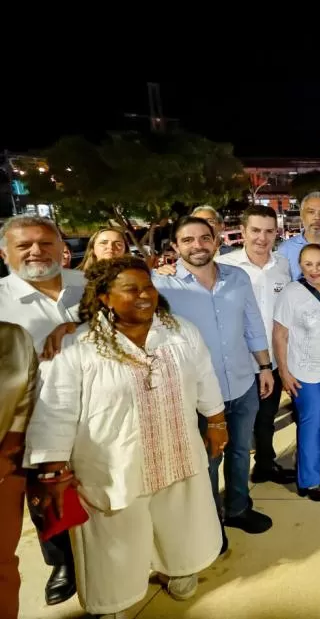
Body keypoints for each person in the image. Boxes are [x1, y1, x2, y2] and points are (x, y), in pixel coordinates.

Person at [24, 257, 227, 617]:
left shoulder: (180, 331)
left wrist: (215, 421)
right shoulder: (78, 346)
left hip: (175, 452)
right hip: (113, 466)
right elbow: (55, 409)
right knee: (114, 541)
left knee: (181, 522)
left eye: (147, 286)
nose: (143, 295)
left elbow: (204, 378)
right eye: (130, 289)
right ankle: (114, 602)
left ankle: (180, 570)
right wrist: (52, 470)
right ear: (104, 297)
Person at [152, 216, 274, 539]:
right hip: (198, 395)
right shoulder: (160, 285)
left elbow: (253, 324)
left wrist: (264, 367)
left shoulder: (237, 278)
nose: (198, 246)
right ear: (175, 246)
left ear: (216, 240)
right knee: (206, 461)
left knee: (238, 452)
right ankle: (209, 526)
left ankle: (238, 508)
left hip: (243, 382)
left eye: (204, 238)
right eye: (188, 240)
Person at [0, 215, 81, 605]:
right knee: (45, 497)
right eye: (24, 245)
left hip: (96, 412)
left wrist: (74, 327)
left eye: (45, 243)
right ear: (5, 253)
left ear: (60, 247)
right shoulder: (1, 301)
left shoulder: (86, 285)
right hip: (31, 419)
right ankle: (62, 562)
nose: (36, 251)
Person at [217, 205, 296, 486]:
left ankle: (265, 465)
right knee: (236, 431)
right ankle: (232, 489)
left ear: (276, 233)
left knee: (265, 420)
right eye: (255, 230)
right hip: (236, 362)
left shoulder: (283, 266)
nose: (262, 238)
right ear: (243, 231)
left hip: (271, 361)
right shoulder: (225, 266)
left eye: (268, 231)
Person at [273, 244, 320, 500]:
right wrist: (284, 371)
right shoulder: (291, 293)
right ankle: (308, 479)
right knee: (310, 421)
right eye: (308, 264)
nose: (314, 270)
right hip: (304, 371)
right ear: (299, 266)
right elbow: (280, 334)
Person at [0, 322, 37, 619]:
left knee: (2, 566)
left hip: (4, 469)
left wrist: (9, 450)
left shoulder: (13, 337)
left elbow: (27, 399)